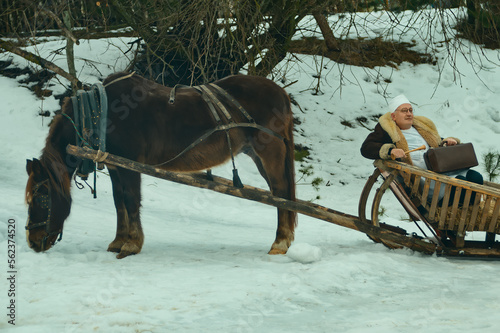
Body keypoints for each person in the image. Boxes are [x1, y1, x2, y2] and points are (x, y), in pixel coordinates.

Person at [360, 94, 483, 203]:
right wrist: (391, 150)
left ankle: (466, 211)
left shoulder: (421, 127)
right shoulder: (387, 131)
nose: (409, 114)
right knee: (459, 183)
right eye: (404, 111)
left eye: (410, 110)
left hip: (442, 170)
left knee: (475, 178)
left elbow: (436, 143)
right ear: (393, 116)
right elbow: (366, 148)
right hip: (424, 178)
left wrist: (446, 142)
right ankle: (452, 211)